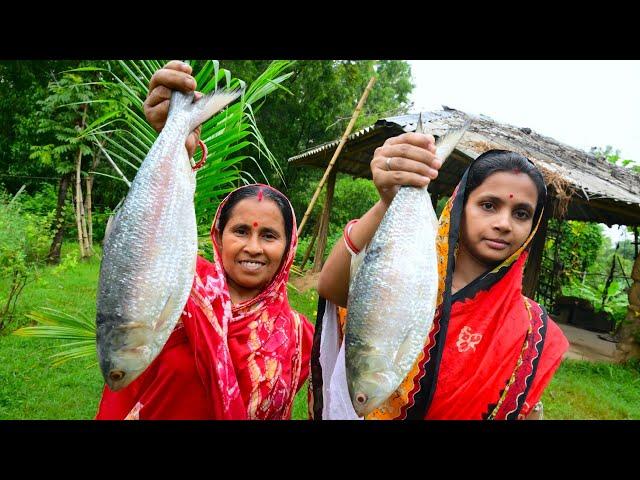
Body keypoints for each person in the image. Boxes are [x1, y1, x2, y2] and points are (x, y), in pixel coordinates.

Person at [96, 62, 314, 420]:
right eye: (240, 231)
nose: (253, 247)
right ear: (219, 236)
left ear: (289, 247)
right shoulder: (177, 290)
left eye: (270, 235)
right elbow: (139, 245)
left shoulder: (300, 335)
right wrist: (173, 140)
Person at [313, 131, 569, 420]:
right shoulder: (407, 271)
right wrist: (388, 202)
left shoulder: (533, 333)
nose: (503, 223)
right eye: (488, 205)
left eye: (521, 214)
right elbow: (330, 287)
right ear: (460, 206)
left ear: (533, 227)